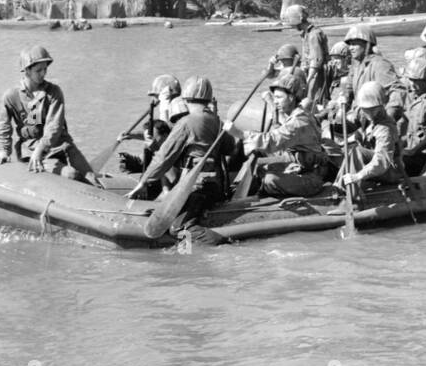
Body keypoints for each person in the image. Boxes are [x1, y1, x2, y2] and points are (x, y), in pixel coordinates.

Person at [126, 77, 243, 245]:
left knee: (179, 228)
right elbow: (230, 148)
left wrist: (144, 181)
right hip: (215, 186)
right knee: (176, 225)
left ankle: (226, 246)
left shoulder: (186, 123)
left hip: (196, 187)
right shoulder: (217, 121)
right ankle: (184, 255)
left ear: (186, 97)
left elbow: (164, 156)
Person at [0, 46, 101, 185]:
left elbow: (53, 126)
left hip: (62, 145)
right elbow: (2, 127)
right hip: (32, 150)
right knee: (71, 175)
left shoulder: (54, 92)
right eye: (39, 70)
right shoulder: (11, 96)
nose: (43, 73)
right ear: (27, 71)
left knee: (92, 180)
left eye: (45, 69)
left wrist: (41, 148)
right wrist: (2, 152)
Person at [242, 70, 330, 198]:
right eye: (275, 97)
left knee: (270, 179)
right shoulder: (295, 114)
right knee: (260, 166)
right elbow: (280, 129)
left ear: (291, 97)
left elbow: (273, 140)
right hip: (299, 164)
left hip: (311, 177)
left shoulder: (299, 121)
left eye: (279, 97)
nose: (276, 101)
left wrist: (240, 134)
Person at [336, 81, 406, 191]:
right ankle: (339, 185)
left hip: (390, 170)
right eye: (365, 109)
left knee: (357, 151)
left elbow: (381, 162)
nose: (369, 112)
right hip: (375, 162)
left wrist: (357, 176)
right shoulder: (365, 113)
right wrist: (341, 108)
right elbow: (347, 129)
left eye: (373, 109)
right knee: (350, 151)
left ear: (381, 105)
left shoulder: (385, 128)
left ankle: (351, 193)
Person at [118, 74, 187, 174]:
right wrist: (131, 135)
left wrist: (164, 104)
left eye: (155, 96)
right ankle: (141, 163)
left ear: (165, 94)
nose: (154, 100)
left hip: (175, 153)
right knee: (148, 144)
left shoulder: (175, 107)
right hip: (169, 149)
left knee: (149, 145)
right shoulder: (168, 106)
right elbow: (157, 133)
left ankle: (145, 168)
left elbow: (165, 135)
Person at [342, 24, 404, 117]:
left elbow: (396, 91)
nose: (351, 48)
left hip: (377, 118)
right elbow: (349, 88)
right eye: (350, 44)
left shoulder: (380, 64)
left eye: (354, 44)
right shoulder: (356, 65)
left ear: (367, 44)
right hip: (361, 116)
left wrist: (387, 118)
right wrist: (343, 103)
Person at [282, 4, 329, 110]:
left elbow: (316, 61)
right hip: (311, 72)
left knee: (313, 101)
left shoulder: (313, 35)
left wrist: (307, 80)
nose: (291, 26)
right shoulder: (306, 33)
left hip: (317, 74)